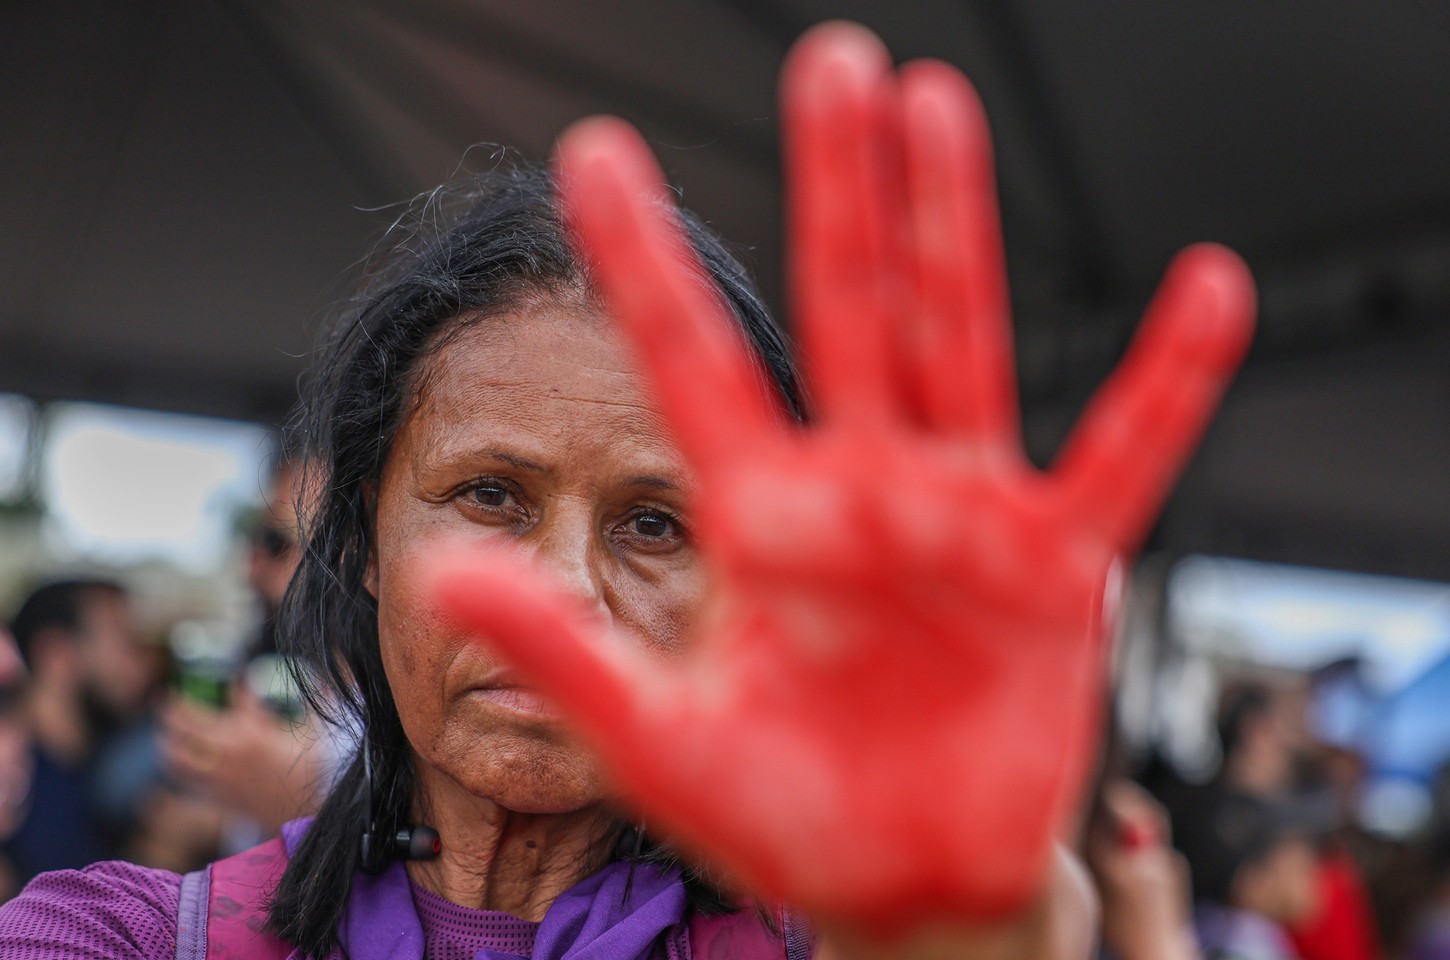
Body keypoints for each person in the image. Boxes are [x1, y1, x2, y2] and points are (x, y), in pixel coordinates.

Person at [0, 21, 1254, 960]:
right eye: (489, 496)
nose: (562, 591)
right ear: (366, 535)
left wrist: (968, 923)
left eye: (655, 524)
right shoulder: (124, 936)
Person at [1, 579, 160, 887]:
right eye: (123, 638)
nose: (144, 659)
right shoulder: (14, 788)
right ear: (57, 655)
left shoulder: (119, 765)